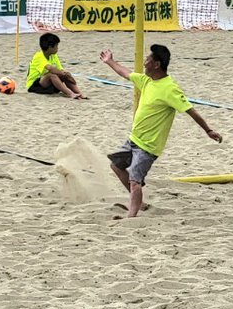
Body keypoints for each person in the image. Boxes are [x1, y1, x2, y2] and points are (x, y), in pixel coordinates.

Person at [100, 45, 222, 217]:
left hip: (148, 146)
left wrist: (208, 130)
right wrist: (110, 61)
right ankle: (138, 201)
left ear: (156, 65)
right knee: (116, 166)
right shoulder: (147, 81)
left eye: (147, 61)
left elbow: (191, 111)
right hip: (134, 139)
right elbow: (125, 73)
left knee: (135, 181)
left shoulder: (170, 89)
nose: (144, 63)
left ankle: (131, 217)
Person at [26, 32, 87, 99]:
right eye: (56, 46)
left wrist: (67, 75)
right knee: (52, 75)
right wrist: (62, 73)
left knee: (65, 75)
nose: (57, 48)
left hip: (48, 85)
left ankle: (79, 93)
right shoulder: (38, 56)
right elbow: (50, 68)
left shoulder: (54, 56)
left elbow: (60, 69)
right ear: (50, 47)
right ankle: (70, 94)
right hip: (34, 86)